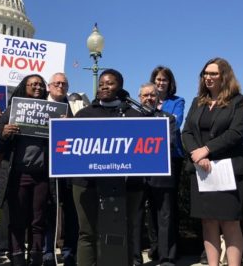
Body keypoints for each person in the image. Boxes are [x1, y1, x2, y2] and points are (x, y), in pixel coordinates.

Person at [72, 69, 146, 266]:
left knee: (126, 229)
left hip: (128, 185)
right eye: (102, 83)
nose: (104, 86)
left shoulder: (134, 115)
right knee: (87, 232)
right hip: (87, 183)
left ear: (120, 87)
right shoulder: (84, 115)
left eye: (110, 83)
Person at [181, 57, 243, 266]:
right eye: (205, 74)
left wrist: (206, 150)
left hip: (227, 168)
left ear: (224, 76)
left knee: (230, 223)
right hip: (201, 170)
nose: (208, 77)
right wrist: (196, 154)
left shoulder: (239, 101)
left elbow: (236, 132)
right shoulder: (197, 101)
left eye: (213, 74)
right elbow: (187, 132)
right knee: (208, 221)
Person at [0, 74, 50, 266]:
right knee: (17, 221)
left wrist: (62, 125)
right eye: (33, 84)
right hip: (17, 175)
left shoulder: (51, 112)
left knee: (38, 221)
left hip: (42, 175)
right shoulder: (11, 111)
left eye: (41, 84)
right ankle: (17, 259)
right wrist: (4, 134)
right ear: (24, 87)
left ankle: (35, 259)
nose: (38, 87)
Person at [135, 82, 183, 266]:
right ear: (139, 98)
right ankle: (135, 258)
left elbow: (169, 142)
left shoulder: (168, 119)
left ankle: (167, 258)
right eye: (145, 95)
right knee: (136, 217)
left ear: (158, 99)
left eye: (152, 95)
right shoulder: (130, 118)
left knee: (165, 217)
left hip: (162, 173)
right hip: (137, 175)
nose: (149, 98)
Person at [42, 73, 77, 266]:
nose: (61, 86)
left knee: (71, 211)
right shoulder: (39, 105)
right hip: (45, 167)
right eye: (57, 83)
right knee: (49, 211)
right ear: (49, 86)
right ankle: (48, 252)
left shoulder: (73, 106)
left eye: (64, 83)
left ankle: (68, 251)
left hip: (69, 169)